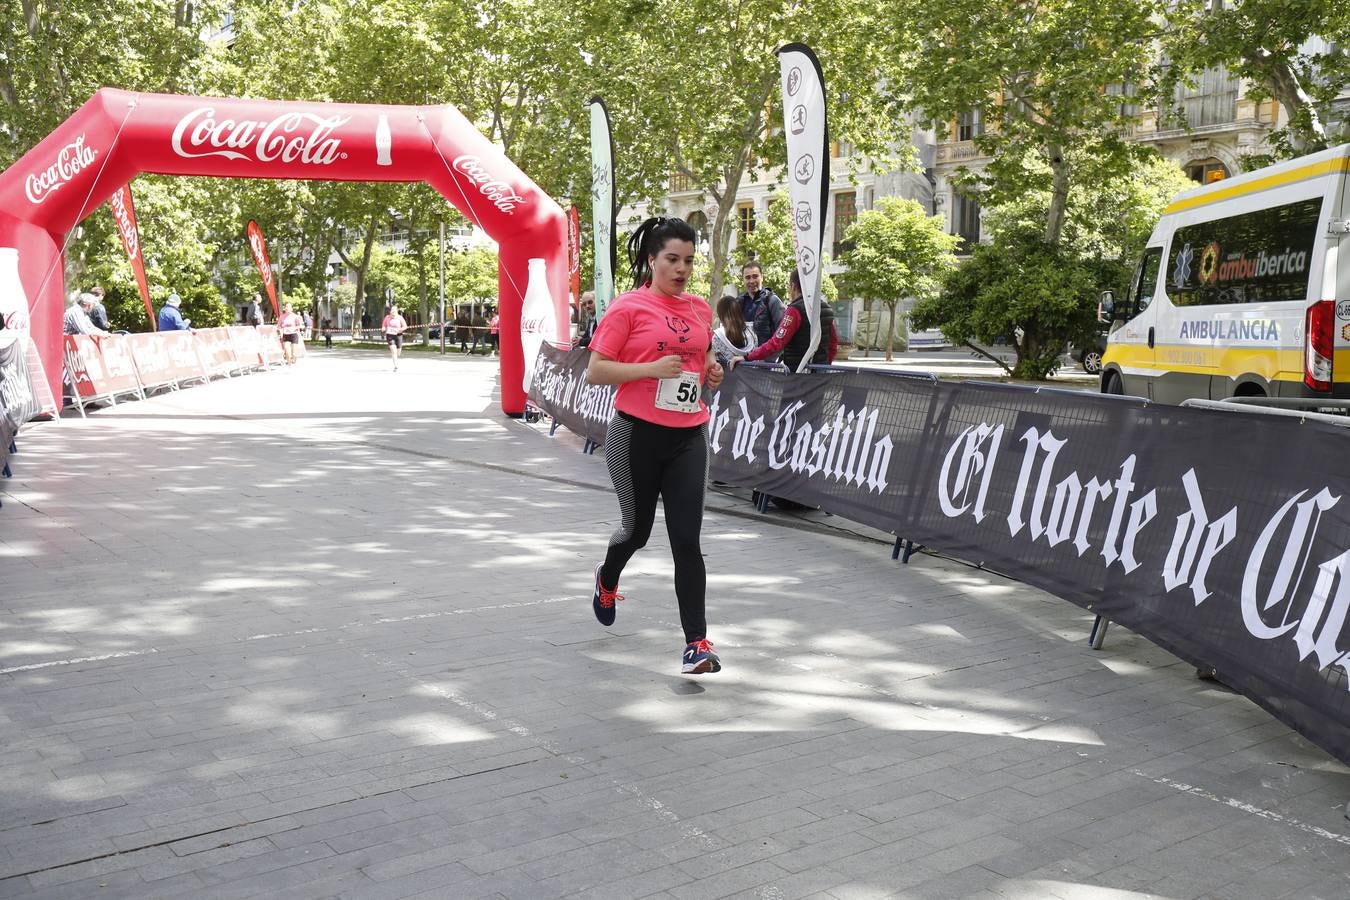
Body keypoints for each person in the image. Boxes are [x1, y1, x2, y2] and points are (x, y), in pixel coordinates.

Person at [585, 216, 726, 675]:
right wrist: (648, 370)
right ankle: (607, 579)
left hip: (689, 435)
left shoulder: (701, 309)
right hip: (636, 435)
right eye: (672, 259)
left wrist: (712, 370)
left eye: (688, 260)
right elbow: (596, 371)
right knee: (638, 530)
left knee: (687, 540)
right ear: (652, 260)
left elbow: (703, 355)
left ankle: (697, 644)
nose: (682, 268)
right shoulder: (628, 307)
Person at [729, 268, 837, 372]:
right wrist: (826, 364)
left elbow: (777, 342)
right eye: (747, 277)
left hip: (798, 372)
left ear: (793, 286)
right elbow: (833, 343)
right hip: (821, 371)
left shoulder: (794, 310)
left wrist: (748, 357)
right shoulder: (827, 308)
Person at [737, 261, 785, 359]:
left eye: (755, 276)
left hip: (766, 365)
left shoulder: (772, 301)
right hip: (743, 364)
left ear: (762, 277)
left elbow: (781, 336)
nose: (751, 281)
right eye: (748, 277)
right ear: (743, 279)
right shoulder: (738, 303)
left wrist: (770, 361)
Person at [711, 294, 756, 369]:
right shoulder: (752, 336)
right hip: (749, 379)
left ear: (721, 316)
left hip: (727, 379)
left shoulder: (717, 337)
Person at [382, 303, 407, 370]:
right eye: (392, 311)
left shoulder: (400, 318)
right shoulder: (387, 317)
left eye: (394, 311)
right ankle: (395, 365)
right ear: (390, 311)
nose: (393, 312)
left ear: (397, 311)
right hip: (390, 335)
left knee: (398, 352)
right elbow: (384, 325)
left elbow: (405, 326)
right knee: (393, 351)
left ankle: (396, 358)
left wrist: (400, 329)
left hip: (398, 335)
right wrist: (383, 328)